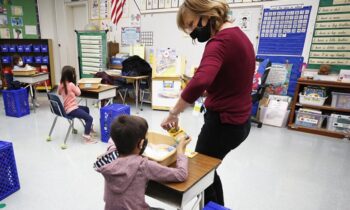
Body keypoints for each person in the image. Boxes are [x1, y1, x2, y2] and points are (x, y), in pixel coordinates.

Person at [161, 0, 255, 206]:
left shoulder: (219, 41)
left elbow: (202, 79)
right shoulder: (239, 36)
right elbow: (229, 80)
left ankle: (213, 206)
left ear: (205, 14)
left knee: (199, 173)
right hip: (240, 121)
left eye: (192, 24)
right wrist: (199, 90)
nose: (193, 32)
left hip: (224, 124)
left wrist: (174, 112)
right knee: (208, 171)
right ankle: (217, 206)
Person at [95, 115, 190, 210]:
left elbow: (115, 138)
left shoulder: (110, 155)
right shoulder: (143, 165)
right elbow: (181, 174)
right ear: (141, 144)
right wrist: (180, 151)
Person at [58, 65, 96, 143]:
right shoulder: (71, 85)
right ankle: (87, 137)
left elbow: (59, 93)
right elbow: (78, 93)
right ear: (70, 75)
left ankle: (88, 128)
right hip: (73, 109)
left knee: (86, 109)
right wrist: (77, 86)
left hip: (66, 108)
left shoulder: (61, 84)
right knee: (90, 118)